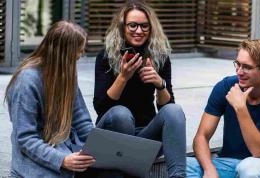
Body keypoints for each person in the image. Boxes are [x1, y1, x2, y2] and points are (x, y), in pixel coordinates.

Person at [93, 1, 186, 177]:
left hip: (145, 136)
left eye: (144, 26)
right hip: (113, 136)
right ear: (122, 27)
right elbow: (101, 107)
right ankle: (131, 168)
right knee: (121, 113)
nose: (138, 31)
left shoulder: (159, 56)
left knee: (174, 111)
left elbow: (167, 108)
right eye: (132, 25)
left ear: (151, 28)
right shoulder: (106, 56)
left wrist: (160, 84)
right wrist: (123, 77)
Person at [186, 39, 260, 178]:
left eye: (247, 67)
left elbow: (259, 150)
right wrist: (209, 170)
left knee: (250, 169)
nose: (239, 72)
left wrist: (240, 107)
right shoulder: (226, 86)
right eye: (237, 64)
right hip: (229, 162)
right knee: (184, 165)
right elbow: (201, 137)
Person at [6, 21, 95, 178]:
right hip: (36, 154)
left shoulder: (66, 74)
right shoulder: (26, 81)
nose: (80, 57)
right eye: (77, 53)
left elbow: (81, 121)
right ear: (63, 54)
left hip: (64, 144)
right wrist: (61, 160)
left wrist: (99, 148)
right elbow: (26, 138)